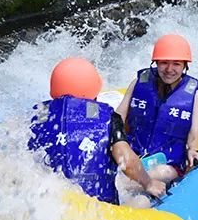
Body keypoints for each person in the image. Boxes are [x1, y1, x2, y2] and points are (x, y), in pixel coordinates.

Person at [28, 57, 166, 205]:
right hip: (96, 211)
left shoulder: (34, 116)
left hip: (45, 203)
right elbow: (125, 159)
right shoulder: (108, 117)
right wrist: (148, 183)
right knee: (141, 201)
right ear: (94, 89)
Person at [115, 34, 198, 184]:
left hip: (168, 162)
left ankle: (120, 188)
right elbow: (118, 117)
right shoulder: (139, 82)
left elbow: (194, 135)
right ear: (156, 62)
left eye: (176, 64)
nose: (169, 69)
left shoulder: (196, 96)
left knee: (162, 172)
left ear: (185, 66)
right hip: (133, 153)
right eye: (164, 63)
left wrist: (193, 152)